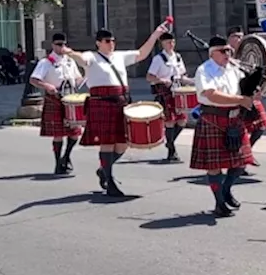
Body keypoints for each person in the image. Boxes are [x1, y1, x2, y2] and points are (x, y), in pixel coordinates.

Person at [64, 23, 168, 196]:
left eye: (112, 40)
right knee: (108, 143)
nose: (111, 43)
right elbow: (81, 59)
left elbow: (142, 54)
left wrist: (156, 35)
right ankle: (110, 181)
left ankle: (104, 170)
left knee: (123, 143)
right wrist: (70, 52)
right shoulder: (92, 57)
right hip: (102, 103)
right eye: (107, 41)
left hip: (121, 103)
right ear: (98, 43)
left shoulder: (120, 56)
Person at [192, 35, 257, 218]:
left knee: (240, 162)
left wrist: (254, 90)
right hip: (213, 118)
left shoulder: (234, 68)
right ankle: (219, 202)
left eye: (229, 50)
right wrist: (241, 100)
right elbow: (212, 95)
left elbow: (246, 90)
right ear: (213, 53)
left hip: (234, 120)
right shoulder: (204, 70)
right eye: (223, 51)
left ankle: (226, 190)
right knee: (214, 166)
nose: (228, 54)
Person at [29, 32, 85, 175]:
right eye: (59, 44)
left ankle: (66, 157)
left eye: (64, 44)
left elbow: (78, 79)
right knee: (58, 134)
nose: (62, 47)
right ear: (53, 45)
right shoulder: (46, 62)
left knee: (75, 133)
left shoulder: (70, 61)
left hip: (70, 98)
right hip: (55, 98)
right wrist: (47, 86)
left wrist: (86, 76)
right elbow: (33, 79)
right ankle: (57, 163)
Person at [227, 27, 266, 171]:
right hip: (236, 98)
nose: (240, 39)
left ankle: (247, 153)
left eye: (241, 36)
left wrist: (259, 88)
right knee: (240, 130)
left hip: (250, 96)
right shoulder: (225, 56)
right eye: (236, 36)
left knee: (261, 126)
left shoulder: (248, 55)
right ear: (229, 39)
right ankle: (241, 159)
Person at [146, 32, 192, 162]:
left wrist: (193, 81)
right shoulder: (158, 59)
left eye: (172, 42)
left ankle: (170, 142)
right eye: (168, 42)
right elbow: (149, 76)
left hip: (177, 91)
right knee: (170, 121)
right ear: (162, 44)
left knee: (182, 121)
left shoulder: (177, 57)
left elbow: (182, 75)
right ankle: (171, 150)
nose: (171, 45)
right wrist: (161, 80)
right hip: (165, 91)